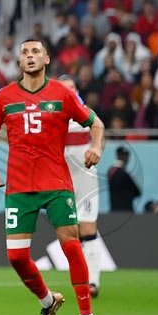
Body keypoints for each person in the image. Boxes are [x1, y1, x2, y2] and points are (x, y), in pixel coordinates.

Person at [0, 39, 105, 315]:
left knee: (71, 245)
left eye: (36, 51)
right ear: (19, 61)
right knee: (17, 258)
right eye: (25, 52)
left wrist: (96, 147)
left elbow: (96, 123)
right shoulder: (4, 97)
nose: (30, 56)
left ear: (46, 59)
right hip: (19, 187)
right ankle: (48, 301)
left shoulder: (63, 93)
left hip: (57, 183)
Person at [59, 75, 102, 298]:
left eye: (71, 88)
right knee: (70, 232)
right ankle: (81, 278)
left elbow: (98, 128)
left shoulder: (84, 113)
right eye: (63, 88)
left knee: (87, 229)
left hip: (85, 179)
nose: (68, 92)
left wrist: (97, 148)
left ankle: (92, 282)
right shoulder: (50, 116)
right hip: (61, 182)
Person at [107, 146, 141, 211]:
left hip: (117, 208)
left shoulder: (112, 171)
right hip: (124, 209)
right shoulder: (122, 172)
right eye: (124, 156)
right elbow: (136, 191)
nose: (126, 159)